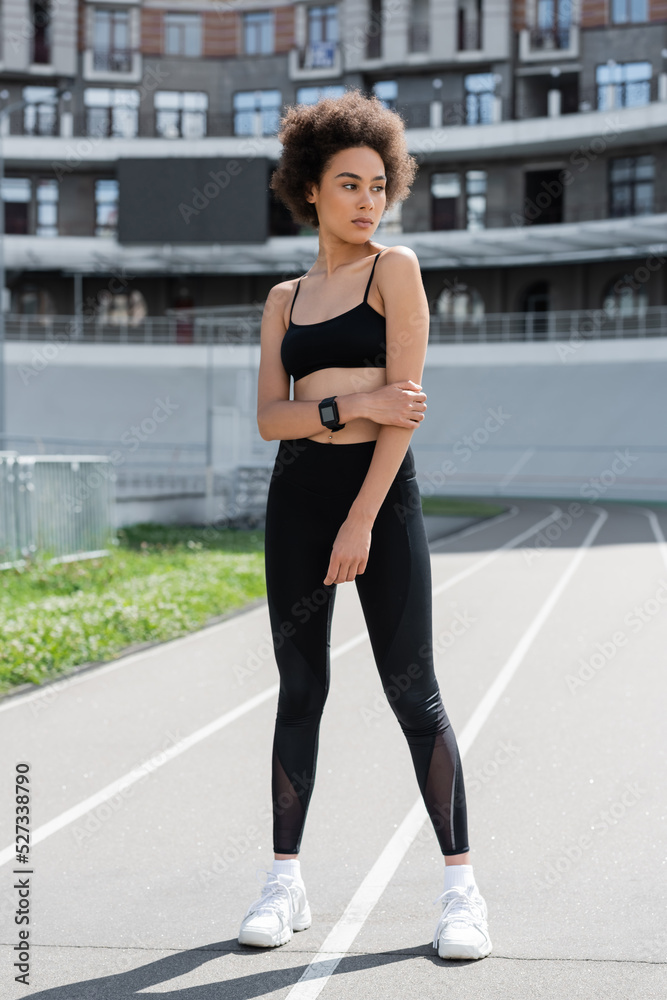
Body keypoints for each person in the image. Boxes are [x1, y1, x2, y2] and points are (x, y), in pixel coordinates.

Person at [237, 89, 492, 962]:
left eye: (379, 184)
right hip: (293, 502)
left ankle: (463, 892)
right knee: (299, 691)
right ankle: (284, 880)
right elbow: (270, 420)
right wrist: (357, 399)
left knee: (411, 693)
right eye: (348, 183)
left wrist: (360, 516)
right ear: (309, 188)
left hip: (379, 500)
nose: (366, 200)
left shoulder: (396, 270)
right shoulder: (283, 298)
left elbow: (406, 412)